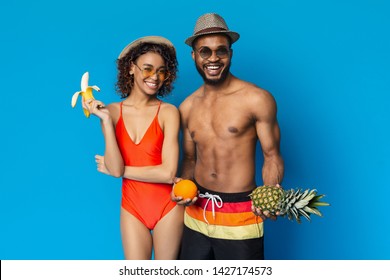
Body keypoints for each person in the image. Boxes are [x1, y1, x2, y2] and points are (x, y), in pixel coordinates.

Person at [172, 13, 284, 260]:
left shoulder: (256, 99)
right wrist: (182, 190)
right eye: (205, 52)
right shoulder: (187, 107)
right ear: (194, 55)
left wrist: (270, 194)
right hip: (196, 214)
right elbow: (190, 159)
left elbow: (272, 156)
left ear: (230, 53)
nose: (213, 58)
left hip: (242, 214)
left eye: (220, 51)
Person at [83, 36, 183, 260]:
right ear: (131, 68)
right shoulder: (111, 112)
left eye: (161, 71)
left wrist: (118, 171)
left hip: (168, 206)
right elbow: (116, 168)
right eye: (147, 69)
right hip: (132, 207)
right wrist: (106, 121)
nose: (154, 77)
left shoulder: (168, 112)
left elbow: (168, 173)